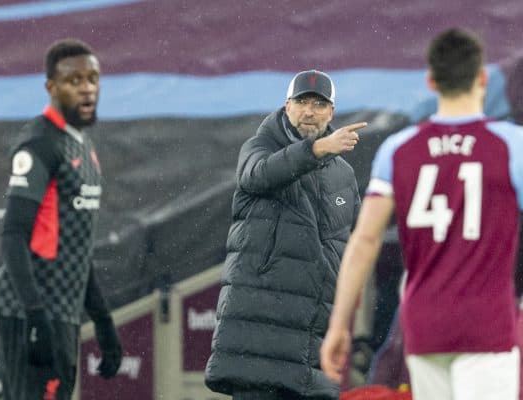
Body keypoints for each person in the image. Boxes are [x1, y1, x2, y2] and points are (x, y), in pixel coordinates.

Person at [321, 28, 523, 400]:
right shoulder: (512, 146)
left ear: (431, 82)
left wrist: (338, 325)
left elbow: (364, 240)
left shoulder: (398, 150)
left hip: (425, 325)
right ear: (481, 78)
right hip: (487, 325)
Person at [205, 69, 367, 400]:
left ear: (331, 112)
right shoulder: (259, 147)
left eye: (319, 104)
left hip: (313, 344)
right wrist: (318, 149)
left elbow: (353, 242)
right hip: (260, 343)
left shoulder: (344, 174)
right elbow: (258, 176)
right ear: (287, 106)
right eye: (302, 102)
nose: (310, 111)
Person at [0, 39, 122, 400]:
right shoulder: (39, 143)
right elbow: (13, 235)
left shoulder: (83, 147)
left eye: (93, 78)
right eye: (74, 80)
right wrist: (34, 315)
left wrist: (104, 323)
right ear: (51, 87)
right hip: (29, 311)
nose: (87, 88)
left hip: (62, 313)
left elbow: (77, 247)